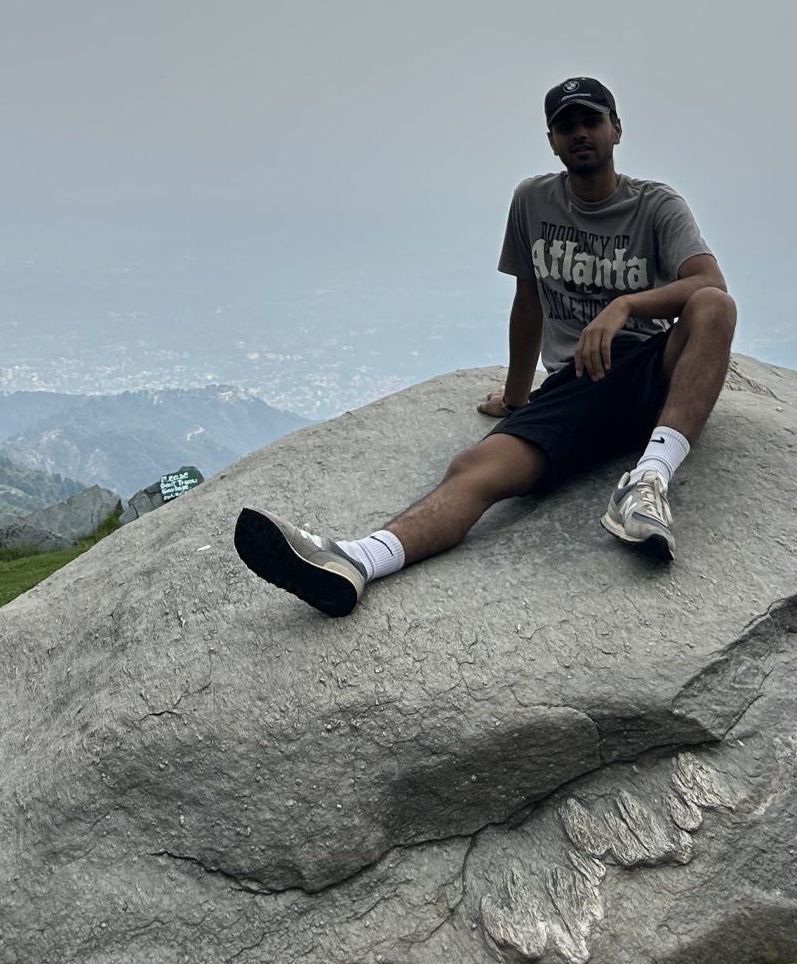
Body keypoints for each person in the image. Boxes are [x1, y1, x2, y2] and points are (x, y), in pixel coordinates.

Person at [233, 74, 736, 616]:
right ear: (551, 140)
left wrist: (626, 306)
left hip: (649, 371)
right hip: (576, 386)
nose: (580, 134)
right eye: (566, 126)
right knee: (474, 468)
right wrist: (517, 397)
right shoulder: (533, 201)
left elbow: (709, 283)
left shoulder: (656, 205)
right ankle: (358, 561)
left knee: (715, 307)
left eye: (592, 121)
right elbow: (529, 300)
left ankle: (649, 479)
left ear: (616, 128)